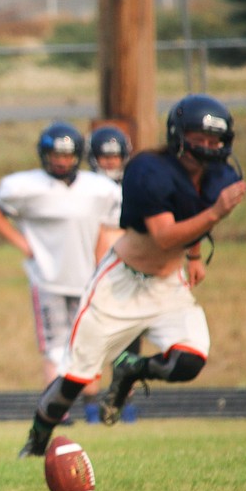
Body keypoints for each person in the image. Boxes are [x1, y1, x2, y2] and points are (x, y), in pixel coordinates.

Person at [18, 94, 246, 457]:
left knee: (190, 360)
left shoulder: (220, 176)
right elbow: (165, 233)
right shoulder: (149, 170)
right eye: (198, 138)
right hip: (121, 282)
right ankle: (35, 443)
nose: (207, 146)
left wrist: (195, 255)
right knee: (76, 377)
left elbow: (191, 214)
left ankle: (130, 370)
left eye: (213, 140)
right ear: (178, 135)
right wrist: (216, 213)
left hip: (167, 285)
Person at [0, 122, 123, 414]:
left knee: (88, 345)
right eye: (55, 156)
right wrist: (25, 245)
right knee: (54, 348)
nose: (61, 162)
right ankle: (59, 412)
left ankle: (91, 409)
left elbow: (107, 230)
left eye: (67, 156)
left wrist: (101, 266)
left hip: (87, 278)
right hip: (48, 278)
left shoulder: (100, 190)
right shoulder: (24, 187)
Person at [85, 123, 142, 423]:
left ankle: (122, 400)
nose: (110, 163)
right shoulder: (84, 189)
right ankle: (92, 404)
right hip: (92, 273)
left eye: (115, 157)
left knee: (128, 341)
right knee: (92, 340)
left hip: (130, 273)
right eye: (105, 157)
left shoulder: (134, 185)